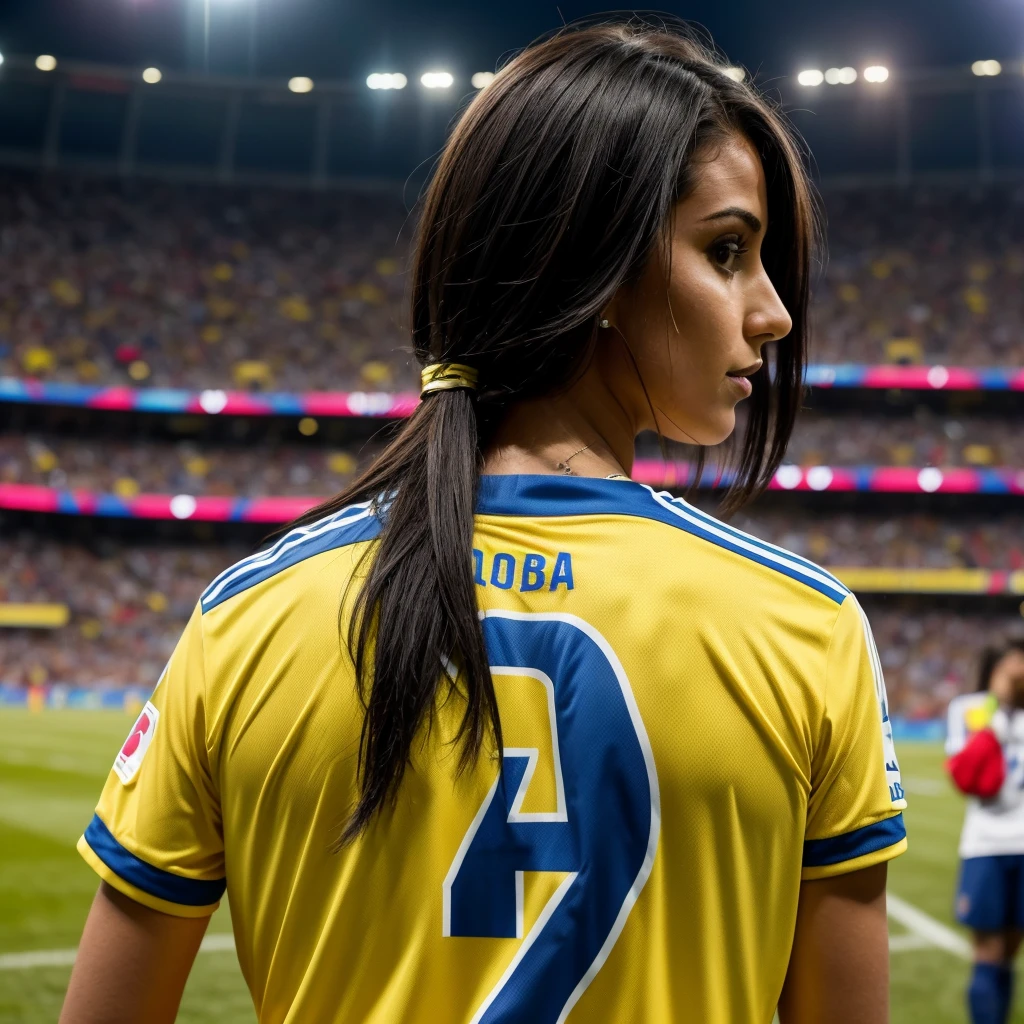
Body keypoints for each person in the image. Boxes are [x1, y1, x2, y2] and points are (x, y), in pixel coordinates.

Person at [60, 20, 906, 1024]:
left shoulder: (247, 620)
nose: (771, 311)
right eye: (727, 251)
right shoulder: (804, 628)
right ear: (596, 264)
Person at [947, 639, 1024, 1024]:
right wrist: (996, 708)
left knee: (1010, 950)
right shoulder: (969, 709)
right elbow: (968, 777)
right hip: (986, 845)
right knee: (988, 950)